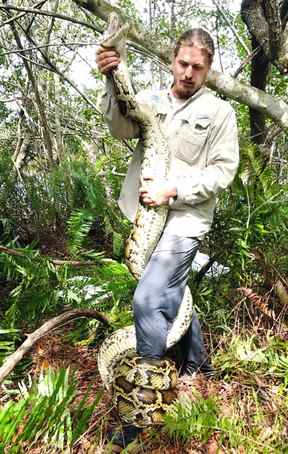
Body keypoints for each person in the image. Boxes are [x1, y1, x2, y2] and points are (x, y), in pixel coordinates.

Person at [96, 27, 239, 448]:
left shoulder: (219, 114)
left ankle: (141, 412)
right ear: (172, 61)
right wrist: (110, 77)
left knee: (148, 297)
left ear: (209, 69)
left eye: (198, 66)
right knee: (170, 290)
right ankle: (199, 365)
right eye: (182, 63)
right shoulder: (154, 102)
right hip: (145, 216)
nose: (189, 72)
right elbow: (121, 128)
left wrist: (172, 188)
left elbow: (221, 171)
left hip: (184, 220)